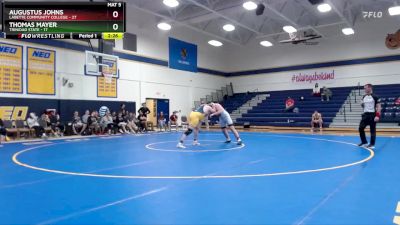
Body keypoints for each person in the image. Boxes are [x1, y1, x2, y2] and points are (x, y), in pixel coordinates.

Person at [358, 84, 381, 149]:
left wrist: (377, 116)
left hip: (372, 115)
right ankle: (364, 142)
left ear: (370, 88)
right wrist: (362, 104)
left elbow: (379, 107)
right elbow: (363, 106)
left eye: (365, 88)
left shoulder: (375, 96)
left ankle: (372, 144)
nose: (364, 89)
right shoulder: (364, 97)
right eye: (364, 88)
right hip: (365, 115)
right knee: (360, 128)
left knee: (372, 130)